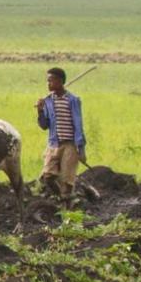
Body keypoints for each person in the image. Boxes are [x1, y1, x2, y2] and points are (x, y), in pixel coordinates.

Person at [35, 66, 86, 200]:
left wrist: (81, 149)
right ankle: (60, 198)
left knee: (67, 181)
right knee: (48, 176)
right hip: (53, 144)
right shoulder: (48, 102)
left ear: (60, 81)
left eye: (51, 81)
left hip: (70, 145)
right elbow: (44, 126)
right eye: (47, 81)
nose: (48, 84)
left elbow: (78, 125)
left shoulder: (73, 100)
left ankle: (66, 205)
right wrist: (40, 111)